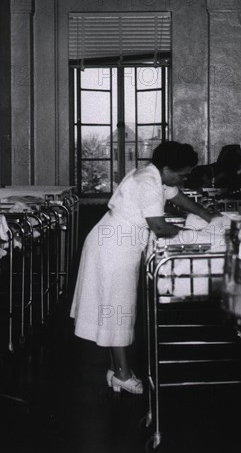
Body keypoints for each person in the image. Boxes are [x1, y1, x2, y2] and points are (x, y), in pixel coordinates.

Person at [70, 141, 214, 394]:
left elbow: (175, 195)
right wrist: (196, 233)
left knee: (115, 308)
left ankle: (116, 370)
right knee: (118, 309)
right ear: (167, 168)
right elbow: (159, 227)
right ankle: (123, 374)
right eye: (181, 174)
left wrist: (206, 214)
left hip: (113, 241)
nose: (183, 179)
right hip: (114, 248)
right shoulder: (148, 182)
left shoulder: (152, 174)